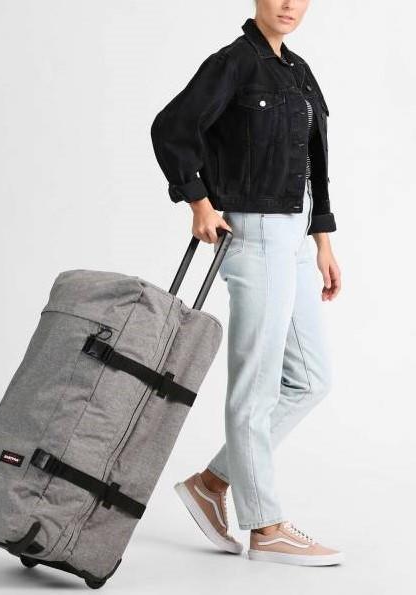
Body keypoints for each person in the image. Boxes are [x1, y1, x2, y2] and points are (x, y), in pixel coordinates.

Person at [150, 1, 343, 566]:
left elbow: (315, 164)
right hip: (254, 233)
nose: (289, 5)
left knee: (310, 380)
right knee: (256, 386)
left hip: (295, 234)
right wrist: (198, 202)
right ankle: (266, 526)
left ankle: (211, 484)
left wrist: (322, 240)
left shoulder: (298, 71)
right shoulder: (232, 63)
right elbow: (172, 128)